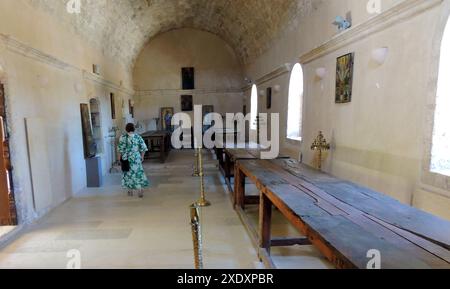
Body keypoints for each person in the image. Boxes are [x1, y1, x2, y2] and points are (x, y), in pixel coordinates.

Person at [118, 123, 149, 198]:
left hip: (126, 158)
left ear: (126, 129)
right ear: (134, 129)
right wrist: (142, 156)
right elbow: (144, 148)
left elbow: (120, 150)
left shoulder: (122, 137)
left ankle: (130, 191)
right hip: (136, 158)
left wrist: (119, 159)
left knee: (128, 174)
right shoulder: (138, 137)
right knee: (138, 173)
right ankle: (140, 190)